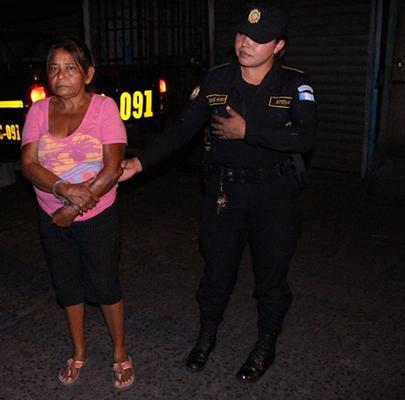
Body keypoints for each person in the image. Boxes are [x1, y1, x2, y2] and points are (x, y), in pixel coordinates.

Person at [119, 5, 316, 383]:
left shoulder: (295, 84)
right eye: (242, 34)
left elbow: (305, 137)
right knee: (216, 271)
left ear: (278, 45)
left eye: (258, 39)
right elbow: (180, 131)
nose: (246, 43)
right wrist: (138, 163)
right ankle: (207, 334)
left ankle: (265, 343)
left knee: (271, 276)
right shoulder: (215, 80)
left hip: (274, 194)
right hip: (224, 193)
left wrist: (249, 130)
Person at [20, 38, 134, 390]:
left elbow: (113, 167)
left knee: (105, 285)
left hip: (97, 215)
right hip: (51, 214)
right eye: (54, 67)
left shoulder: (104, 108)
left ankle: (119, 352)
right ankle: (79, 351)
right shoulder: (38, 111)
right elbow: (28, 163)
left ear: (88, 74)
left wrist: (71, 210)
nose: (61, 74)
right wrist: (64, 191)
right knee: (67, 286)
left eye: (70, 67)